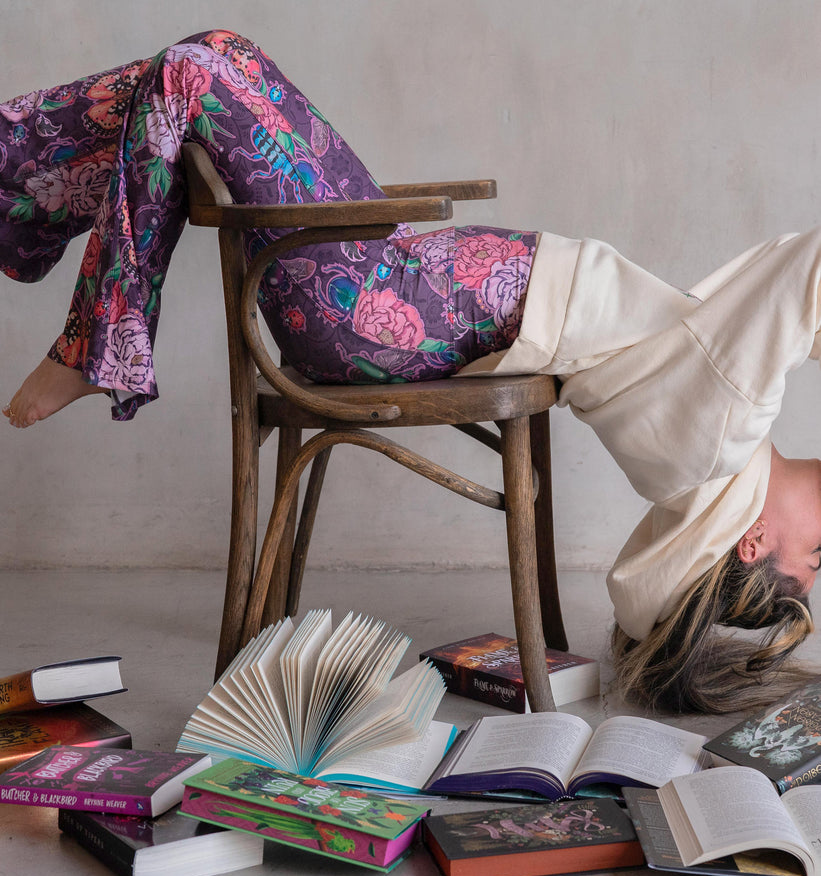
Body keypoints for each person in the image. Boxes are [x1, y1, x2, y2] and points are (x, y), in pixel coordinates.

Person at [0, 30, 818, 714]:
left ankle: (97, 339)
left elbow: (804, 273)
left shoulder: (719, 434)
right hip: (388, 273)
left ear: (752, 542)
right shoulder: (714, 435)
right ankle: (20, 204)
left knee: (198, 66)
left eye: (814, 559)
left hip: (374, 302)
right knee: (182, 75)